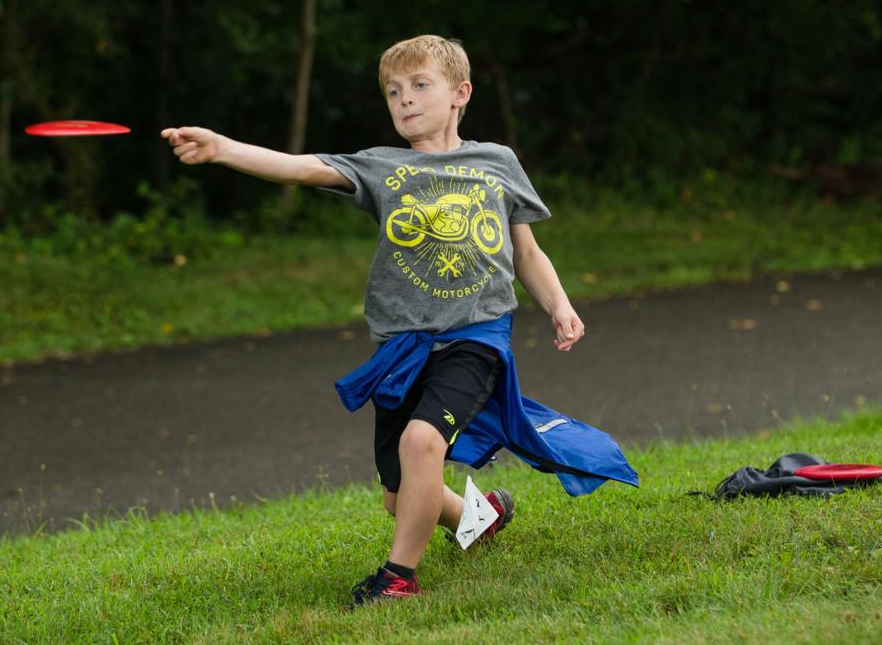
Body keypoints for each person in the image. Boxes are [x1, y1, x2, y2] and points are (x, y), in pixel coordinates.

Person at [162, 34, 637, 608]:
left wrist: (559, 305)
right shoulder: (381, 168)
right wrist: (222, 148)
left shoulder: (497, 163)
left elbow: (527, 253)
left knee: (421, 444)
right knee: (401, 495)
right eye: (393, 91)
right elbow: (298, 167)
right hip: (403, 348)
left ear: (460, 93)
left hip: (475, 337)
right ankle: (479, 518)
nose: (405, 100)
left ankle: (397, 579)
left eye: (419, 85)